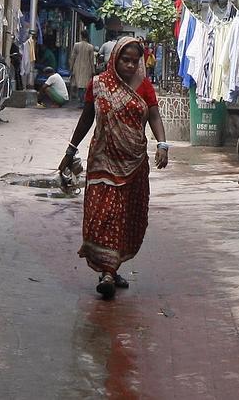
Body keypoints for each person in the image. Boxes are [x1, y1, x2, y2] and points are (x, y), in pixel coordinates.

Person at [60, 37, 169, 299]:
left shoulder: (144, 86)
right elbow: (86, 119)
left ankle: (112, 267)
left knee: (124, 216)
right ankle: (107, 271)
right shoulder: (98, 85)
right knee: (104, 214)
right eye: (125, 60)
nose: (130, 65)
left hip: (134, 163)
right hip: (102, 159)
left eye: (135, 61)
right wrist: (70, 150)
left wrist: (162, 144)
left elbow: (154, 115)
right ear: (115, 59)